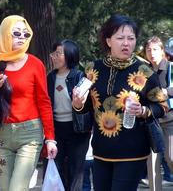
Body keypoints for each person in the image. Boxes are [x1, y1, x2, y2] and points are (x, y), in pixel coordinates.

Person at [72, 14, 167, 191]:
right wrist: (77, 103)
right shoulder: (92, 69)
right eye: (120, 38)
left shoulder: (145, 72)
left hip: (133, 151)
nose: (126, 43)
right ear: (108, 41)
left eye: (131, 38)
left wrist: (143, 110)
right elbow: (84, 108)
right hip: (100, 151)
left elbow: (162, 106)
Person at [0, 15, 57, 191]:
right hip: (1, 133)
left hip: (30, 134)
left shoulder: (35, 64)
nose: (21, 37)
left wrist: (50, 138)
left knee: (17, 189)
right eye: (16, 33)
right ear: (5, 34)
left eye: (25, 34)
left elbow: (44, 101)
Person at [47, 39, 91, 191]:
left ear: (70, 55)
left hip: (77, 129)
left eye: (58, 53)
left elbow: (87, 106)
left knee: (76, 171)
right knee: (58, 171)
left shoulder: (80, 76)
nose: (53, 56)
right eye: (53, 53)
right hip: (56, 129)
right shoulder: (50, 77)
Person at [143, 36, 173, 190]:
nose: (151, 53)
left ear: (162, 51)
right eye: (148, 50)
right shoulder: (143, 71)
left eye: (155, 49)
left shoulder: (171, 67)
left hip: (170, 119)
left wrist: (165, 92)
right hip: (151, 121)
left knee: (171, 157)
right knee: (152, 163)